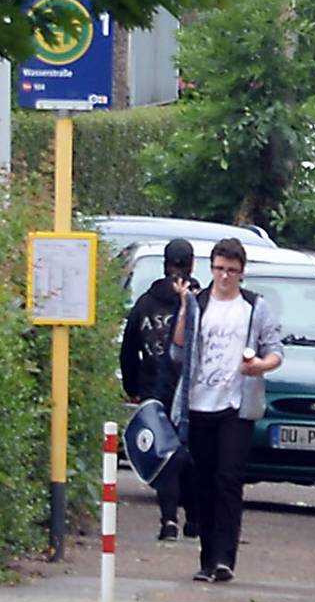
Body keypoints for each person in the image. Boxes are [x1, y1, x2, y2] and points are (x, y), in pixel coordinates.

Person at [171, 238, 284, 583]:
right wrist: (183, 307)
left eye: (232, 271)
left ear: (242, 273)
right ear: (212, 269)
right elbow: (177, 351)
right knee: (203, 482)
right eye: (219, 269)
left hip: (237, 405)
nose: (224, 277)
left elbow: (275, 350)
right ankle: (207, 559)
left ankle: (225, 558)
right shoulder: (198, 302)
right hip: (199, 403)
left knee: (229, 480)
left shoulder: (254, 307)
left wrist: (260, 366)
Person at [120, 239, 198, 541]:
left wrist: (132, 387)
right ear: (191, 265)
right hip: (193, 391)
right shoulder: (199, 299)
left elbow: (129, 350)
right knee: (191, 455)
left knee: (165, 455)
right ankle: (194, 519)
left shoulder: (145, 304)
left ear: (165, 263)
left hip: (155, 391)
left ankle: (168, 520)